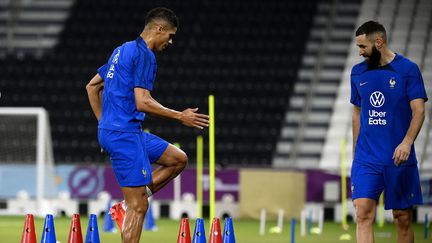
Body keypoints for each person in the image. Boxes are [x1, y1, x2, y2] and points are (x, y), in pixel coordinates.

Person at [86, 7, 209, 243]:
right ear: (159, 29)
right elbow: (142, 102)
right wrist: (179, 116)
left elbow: (91, 87)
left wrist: (104, 126)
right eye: (170, 35)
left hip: (124, 131)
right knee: (139, 207)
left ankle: (126, 205)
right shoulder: (145, 55)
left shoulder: (121, 51)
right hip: (124, 134)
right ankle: (131, 204)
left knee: (178, 159)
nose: (171, 41)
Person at [350, 20, 427, 243]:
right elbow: (357, 113)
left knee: (402, 218)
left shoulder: (408, 69)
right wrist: (357, 154)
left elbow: (419, 111)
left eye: (363, 47)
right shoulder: (357, 73)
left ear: (379, 42)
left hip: (398, 158)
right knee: (362, 213)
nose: (360, 52)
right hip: (367, 159)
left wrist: (406, 142)